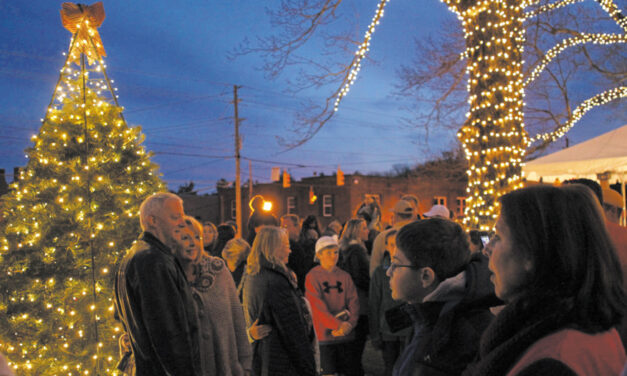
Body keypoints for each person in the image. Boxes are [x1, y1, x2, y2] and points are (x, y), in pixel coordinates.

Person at [464, 185, 626, 375]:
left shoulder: (552, 361)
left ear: (532, 253)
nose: (486, 249)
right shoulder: (589, 326)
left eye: (498, 236)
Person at [387, 217, 496, 376]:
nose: (388, 272)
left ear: (425, 276)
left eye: (395, 264)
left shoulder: (462, 337)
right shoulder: (426, 315)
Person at [114, 192, 201, 375]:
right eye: (175, 217)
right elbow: (168, 333)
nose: (181, 223)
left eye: (182, 217)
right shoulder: (153, 260)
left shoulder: (138, 255)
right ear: (152, 221)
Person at [176, 217, 252, 376]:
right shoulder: (167, 275)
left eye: (197, 237)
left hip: (225, 368)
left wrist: (245, 365)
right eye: (185, 238)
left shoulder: (217, 269)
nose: (192, 243)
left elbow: (236, 317)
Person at [242, 226, 317, 376]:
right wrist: (308, 367)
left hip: (263, 357)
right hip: (281, 360)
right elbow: (292, 329)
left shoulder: (254, 275)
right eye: (287, 246)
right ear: (274, 248)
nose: (290, 251)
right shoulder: (275, 281)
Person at [306, 235, 360, 376]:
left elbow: (354, 302)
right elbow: (317, 307)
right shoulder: (312, 277)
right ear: (319, 255)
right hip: (325, 337)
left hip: (346, 336)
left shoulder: (345, 276)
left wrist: (349, 324)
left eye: (335, 252)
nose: (333, 256)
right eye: (328, 252)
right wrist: (337, 325)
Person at [369, 230, 410, 376]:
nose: (395, 249)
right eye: (391, 245)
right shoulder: (380, 273)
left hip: (408, 329)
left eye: (397, 245)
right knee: (390, 368)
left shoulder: (409, 270)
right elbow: (374, 303)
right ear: (386, 246)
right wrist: (374, 333)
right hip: (387, 330)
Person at [338, 218, 371, 376]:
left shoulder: (342, 250)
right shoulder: (357, 250)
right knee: (357, 344)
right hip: (359, 302)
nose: (368, 231)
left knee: (350, 346)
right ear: (357, 231)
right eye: (364, 228)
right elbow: (362, 277)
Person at [370, 199, 417, 276]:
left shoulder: (383, 236)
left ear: (396, 215)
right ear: (412, 216)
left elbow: (374, 268)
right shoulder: (420, 234)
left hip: (388, 283)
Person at [282, 214, 315, 292]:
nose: (283, 230)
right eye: (281, 226)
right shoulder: (283, 245)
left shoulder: (308, 243)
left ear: (297, 227)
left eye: (286, 226)